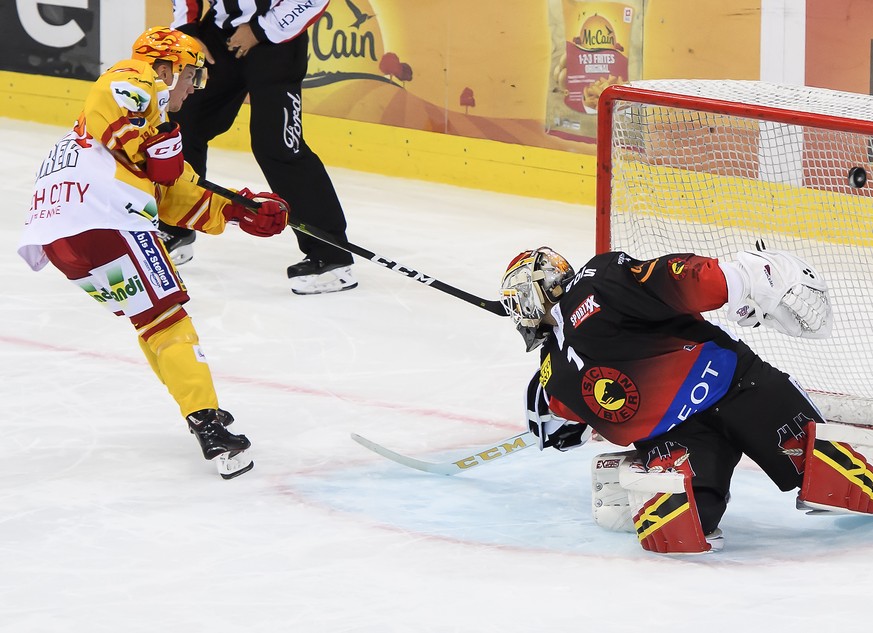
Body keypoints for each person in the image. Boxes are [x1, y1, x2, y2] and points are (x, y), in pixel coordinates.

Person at [17, 26, 291, 479]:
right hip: (102, 218)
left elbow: (173, 190)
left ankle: (199, 410)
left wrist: (240, 210)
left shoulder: (140, 125)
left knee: (155, 320)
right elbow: (121, 90)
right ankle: (209, 426)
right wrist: (157, 128)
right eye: (191, 77)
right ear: (168, 67)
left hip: (65, 239)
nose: (193, 89)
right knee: (169, 321)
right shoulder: (138, 78)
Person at [500, 245, 873, 554]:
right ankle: (639, 481)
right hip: (729, 386)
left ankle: (632, 478)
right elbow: (668, 278)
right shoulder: (595, 285)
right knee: (830, 472)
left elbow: (567, 418)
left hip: (703, 415)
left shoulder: (553, 370)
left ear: (532, 297)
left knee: (689, 521)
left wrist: (556, 420)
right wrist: (737, 278)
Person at [159, 0, 357, 296]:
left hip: (277, 38)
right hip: (218, 33)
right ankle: (176, 226)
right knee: (183, 123)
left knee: (277, 145)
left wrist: (260, 29)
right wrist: (188, 32)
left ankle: (332, 257)